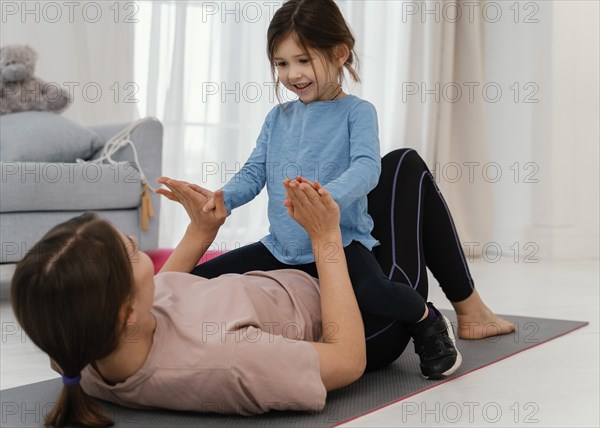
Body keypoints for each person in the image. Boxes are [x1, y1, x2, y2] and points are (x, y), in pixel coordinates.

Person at [172, 0, 514, 379]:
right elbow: (254, 171)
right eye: (282, 64)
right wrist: (223, 198)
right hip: (282, 248)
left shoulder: (357, 111)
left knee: (373, 291)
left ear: (339, 54)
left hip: (343, 240)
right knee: (199, 281)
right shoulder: (277, 118)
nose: (292, 74)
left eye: (303, 60)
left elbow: (368, 168)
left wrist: (326, 199)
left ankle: (428, 319)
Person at [11, 176, 365, 427]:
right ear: (127, 313)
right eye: (131, 250)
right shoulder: (232, 361)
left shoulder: (78, 347)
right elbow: (348, 359)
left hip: (267, 284)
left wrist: (200, 231)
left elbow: (161, 293)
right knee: (401, 166)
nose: (136, 239)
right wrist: (325, 237)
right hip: (336, 301)